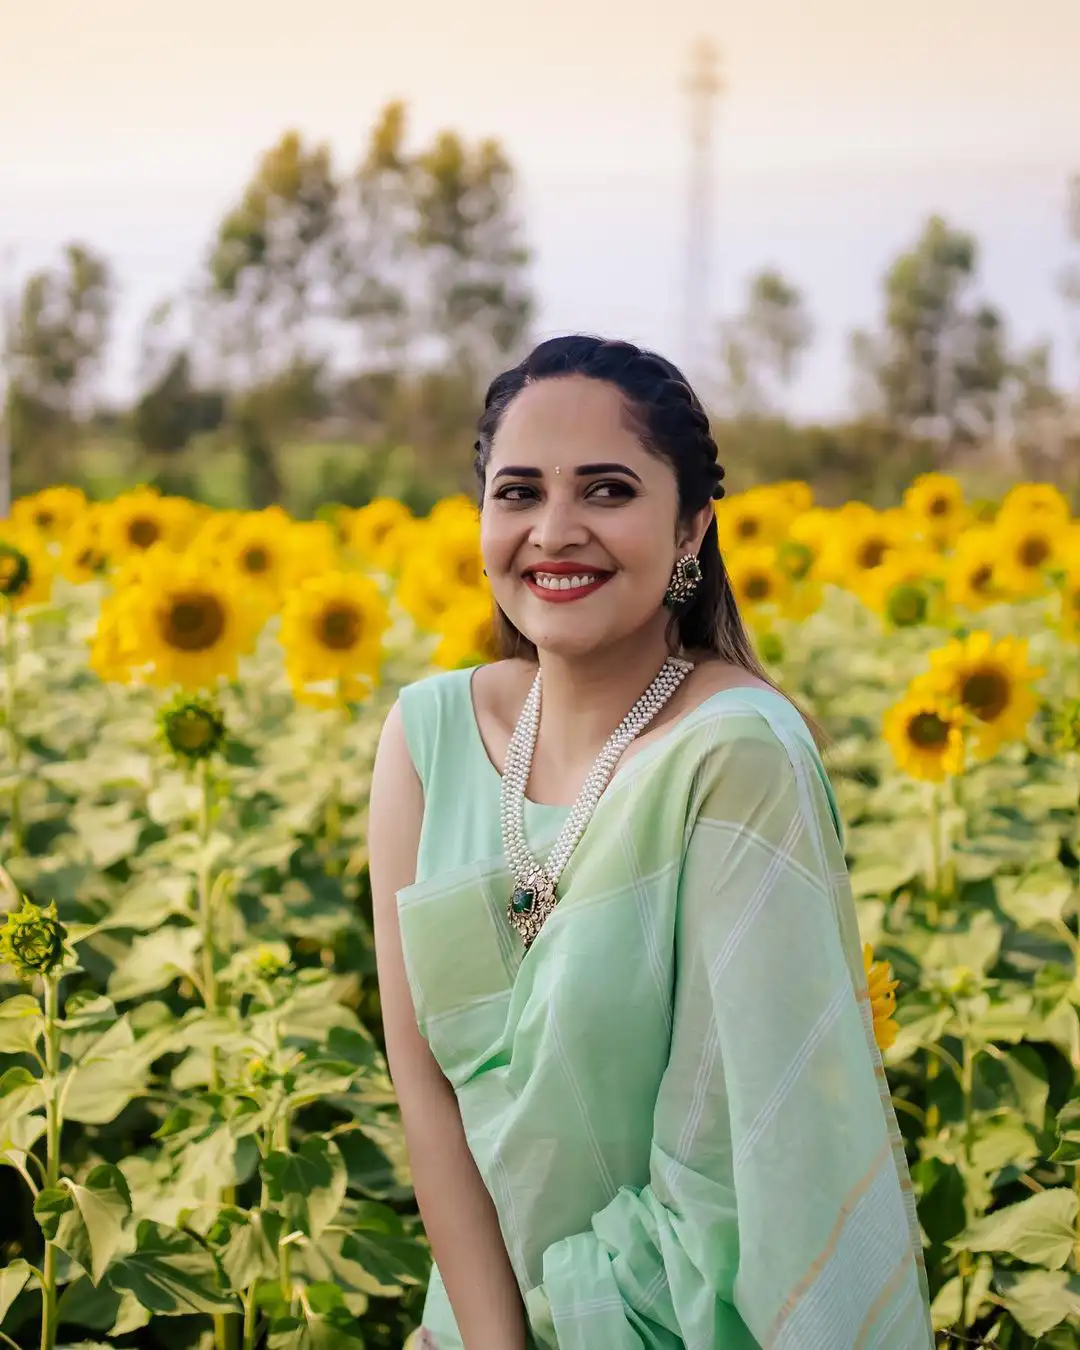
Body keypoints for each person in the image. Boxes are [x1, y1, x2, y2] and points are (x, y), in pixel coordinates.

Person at [369, 335, 934, 1350]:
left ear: (690, 530)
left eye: (608, 490)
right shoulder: (427, 737)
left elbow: (738, 1157)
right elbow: (429, 1095)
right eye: (518, 492)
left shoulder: (735, 754)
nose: (554, 531)